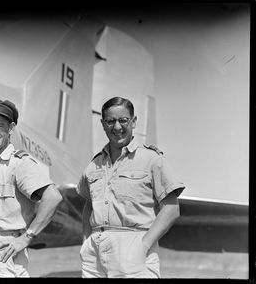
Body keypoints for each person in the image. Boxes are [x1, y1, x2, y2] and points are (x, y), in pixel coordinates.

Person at [77, 96, 185, 278]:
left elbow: (171, 208)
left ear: (134, 122)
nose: (117, 127)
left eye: (123, 120)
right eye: (110, 121)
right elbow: (89, 206)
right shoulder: (94, 165)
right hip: (94, 253)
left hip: (134, 246)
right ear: (103, 124)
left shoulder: (151, 159)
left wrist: (143, 245)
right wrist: (86, 241)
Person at [0, 98, 63, 277]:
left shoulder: (20, 163)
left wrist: (27, 237)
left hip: (4, 254)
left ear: (10, 128)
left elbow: (53, 197)